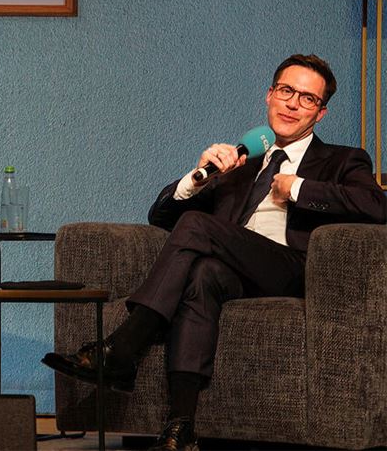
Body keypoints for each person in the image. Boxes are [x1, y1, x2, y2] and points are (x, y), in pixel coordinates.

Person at [42, 54, 386, 451]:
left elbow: (377, 206)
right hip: (235, 272)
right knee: (202, 274)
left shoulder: (342, 159)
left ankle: (123, 349)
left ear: (320, 113)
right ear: (269, 95)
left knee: (197, 226)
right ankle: (181, 427)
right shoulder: (241, 162)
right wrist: (196, 179)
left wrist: (297, 188)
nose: (293, 104)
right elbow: (160, 217)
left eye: (307, 98)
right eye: (286, 91)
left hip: (294, 269)